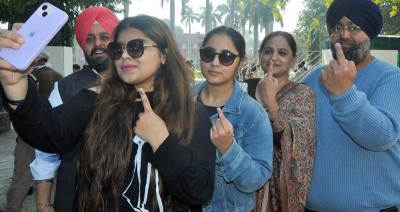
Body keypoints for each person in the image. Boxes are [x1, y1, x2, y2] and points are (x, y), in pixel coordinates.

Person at [0, 15, 215, 211]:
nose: (124, 56)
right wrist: (15, 85)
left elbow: (200, 191)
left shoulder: (192, 113)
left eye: (136, 47)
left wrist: (162, 141)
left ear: (163, 55)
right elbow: (48, 132)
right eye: (117, 49)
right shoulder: (97, 99)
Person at [302, 0, 400, 211]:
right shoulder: (314, 78)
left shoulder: (392, 78)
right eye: (337, 28)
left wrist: (344, 92)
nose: (344, 34)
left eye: (354, 27)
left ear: (370, 33)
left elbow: (381, 138)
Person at [29, 6, 119, 212]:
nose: (97, 44)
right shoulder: (64, 87)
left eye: (105, 36)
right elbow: (46, 149)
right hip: (74, 198)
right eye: (89, 39)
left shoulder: (135, 82)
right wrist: (43, 205)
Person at [192, 26, 273, 212]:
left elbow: (256, 180)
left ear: (241, 61)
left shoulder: (252, 114)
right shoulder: (183, 101)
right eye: (208, 54)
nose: (214, 62)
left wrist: (228, 148)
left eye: (226, 56)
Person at [250, 31, 316, 212]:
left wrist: (270, 100)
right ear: (260, 55)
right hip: (244, 180)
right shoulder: (246, 87)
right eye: (268, 51)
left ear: (293, 60)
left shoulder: (302, 94)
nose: (274, 58)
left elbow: (299, 146)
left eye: (282, 53)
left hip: (278, 189)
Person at [4, 50, 63, 212]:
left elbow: (21, 108)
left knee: (21, 178)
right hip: (57, 131)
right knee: (59, 177)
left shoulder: (30, 77)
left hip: (32, 134)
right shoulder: (58, 75)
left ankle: (12, 208)